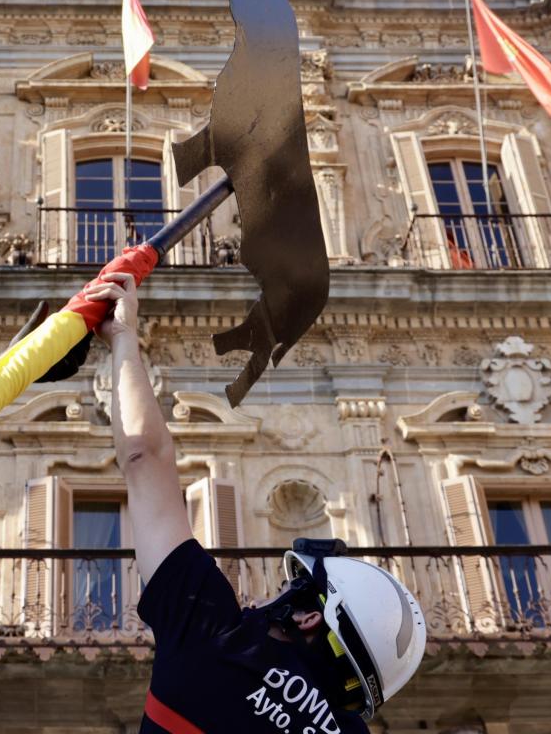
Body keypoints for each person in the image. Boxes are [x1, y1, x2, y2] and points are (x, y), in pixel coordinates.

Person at [84, 272, 426, 733]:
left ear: (308, 617)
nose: (261, 600)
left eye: (286, 594)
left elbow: (145, 458)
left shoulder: (215, 637)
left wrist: (124, 337)